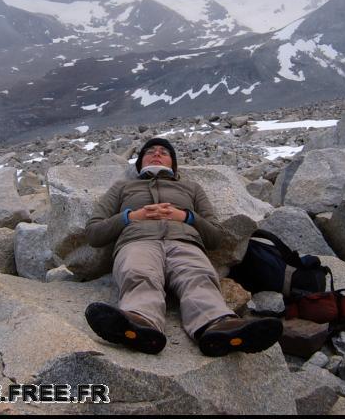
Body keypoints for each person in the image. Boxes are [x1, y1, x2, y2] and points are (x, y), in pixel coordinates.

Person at [83, 137, 282, 356]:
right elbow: (94, 233)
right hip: (138, 241)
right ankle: (140, 321)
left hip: (184, 242)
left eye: (163, 152)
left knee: (198, 276)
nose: (156, 154)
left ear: (173, 164)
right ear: (140, 163)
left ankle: (217, 326)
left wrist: (186, 217)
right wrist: (131, 216)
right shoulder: (123, 187)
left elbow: (215, 236)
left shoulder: (191, 188)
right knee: (138, 273)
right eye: (149, 151)